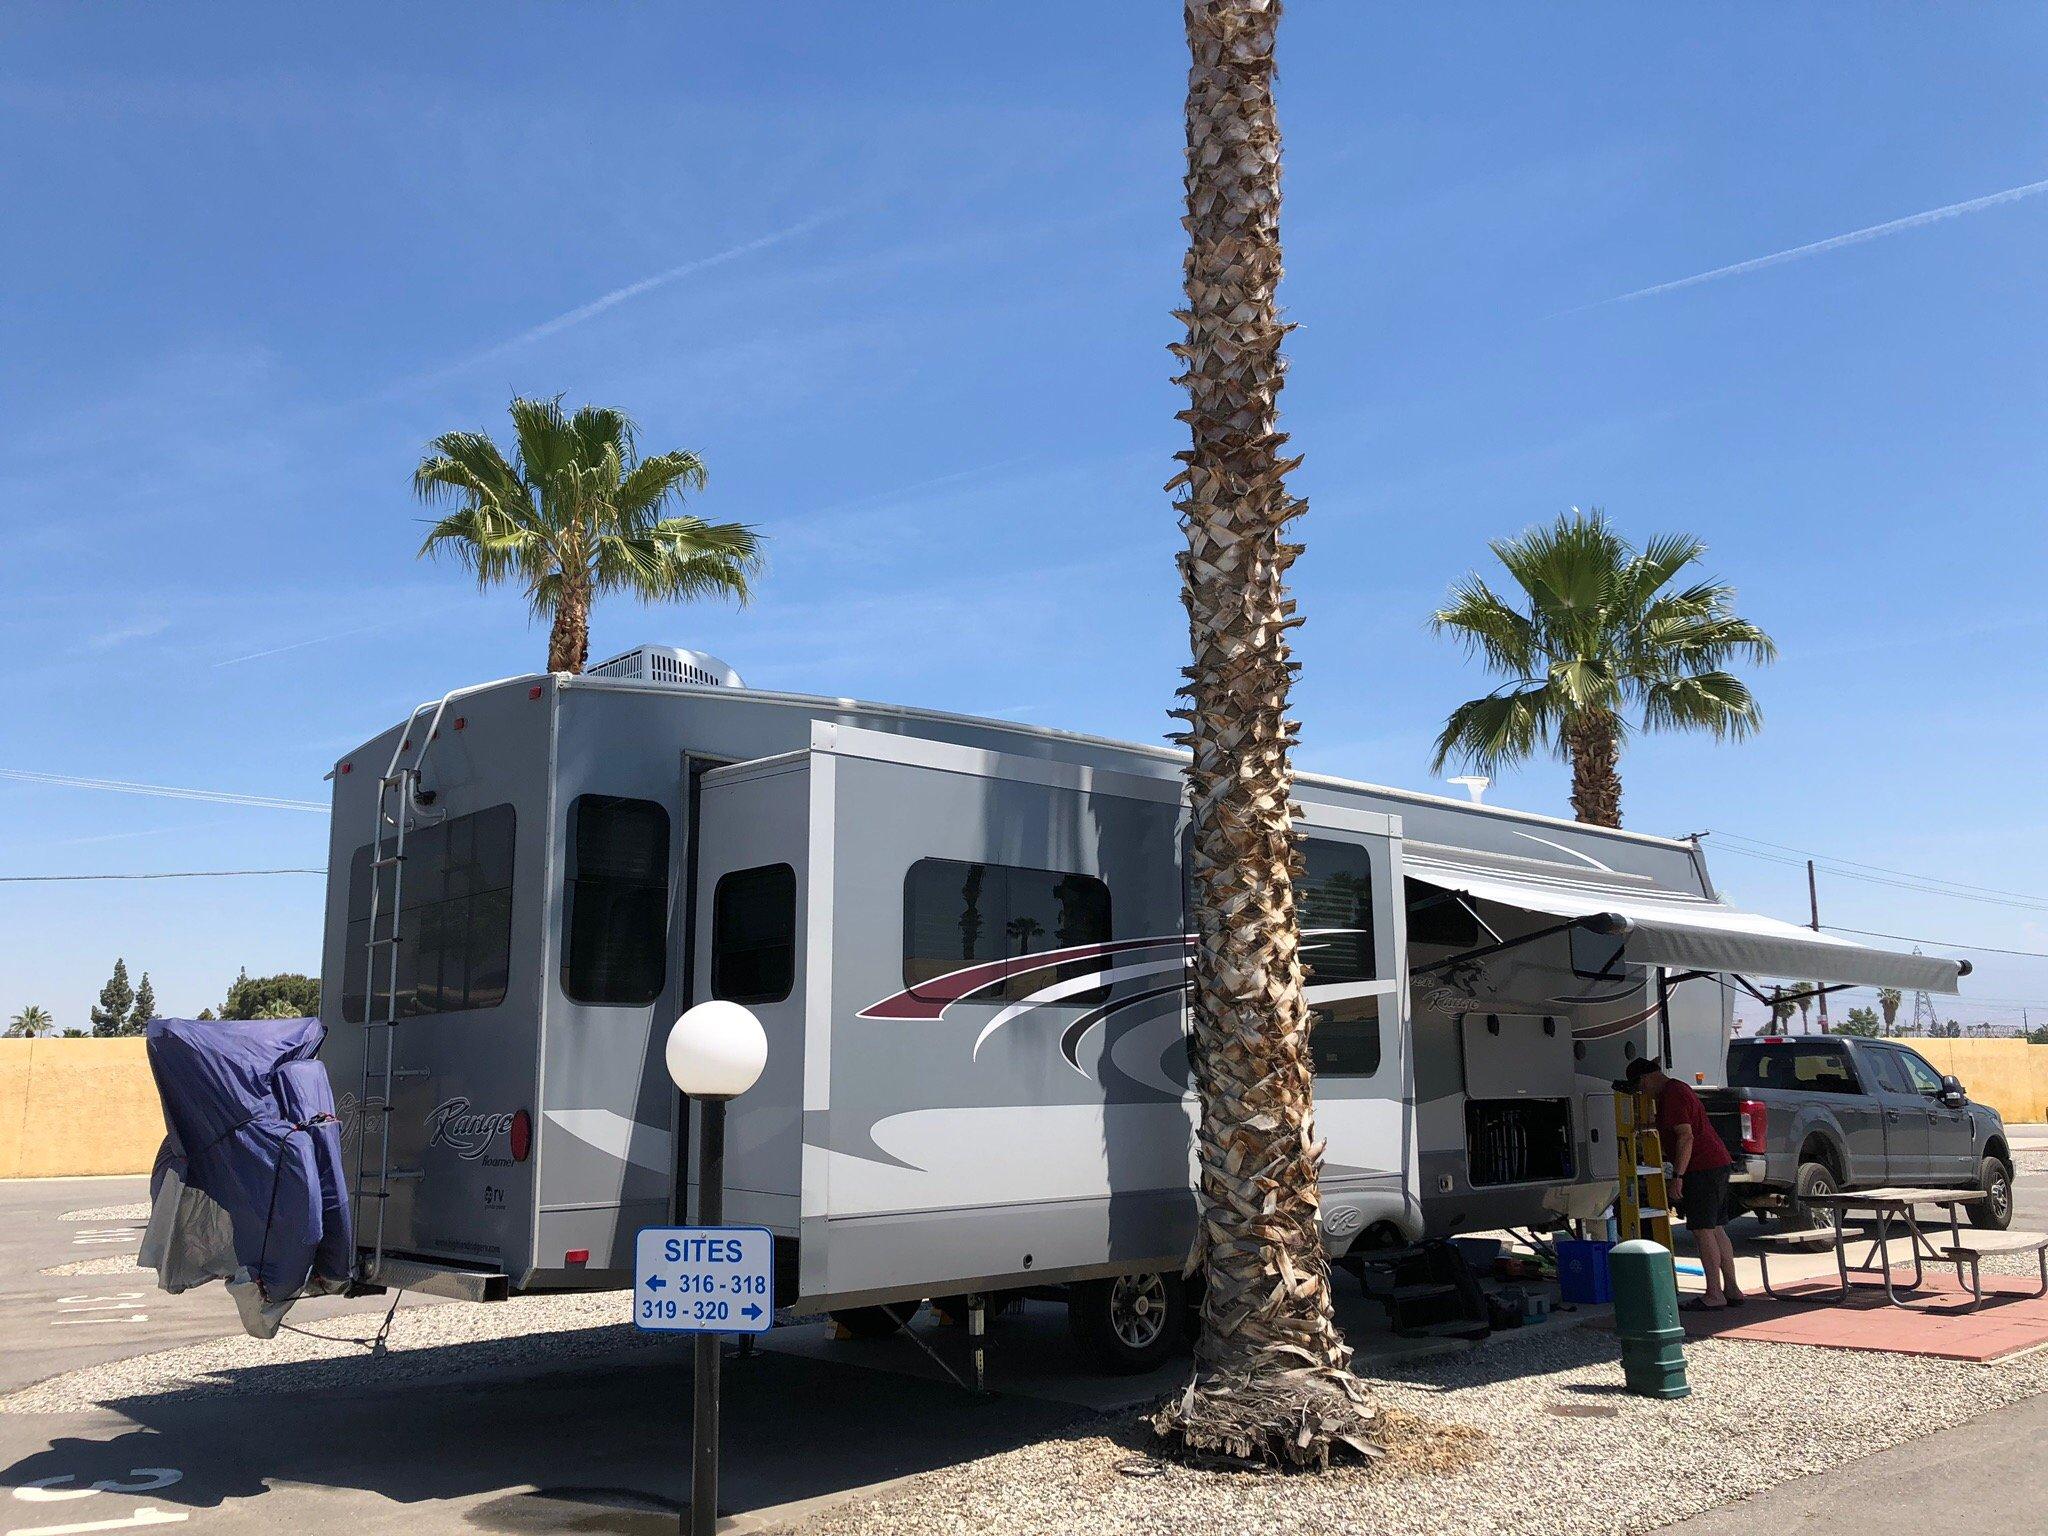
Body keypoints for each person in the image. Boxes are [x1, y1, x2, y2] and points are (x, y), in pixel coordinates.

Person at [1623, 1057, 1744, 1310]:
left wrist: (1678, 1175)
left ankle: (1714, 1293)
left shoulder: (1672, 1095)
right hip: (1717, 1162)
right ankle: (1731, 1288)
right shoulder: (1678, 1089)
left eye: (1639, 1086)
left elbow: (1685, 1136)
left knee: (1702, 1229)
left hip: (1701, 1167)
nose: (1641, 1092)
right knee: (1716, 1226)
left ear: (1645, 1078)